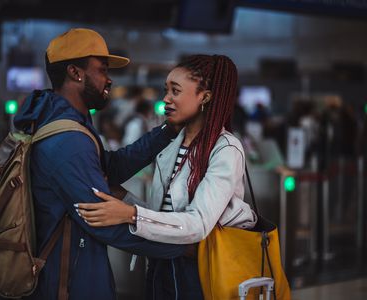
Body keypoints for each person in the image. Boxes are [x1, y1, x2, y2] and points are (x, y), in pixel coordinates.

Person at [8, 28, 187, 300]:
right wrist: (182, 244)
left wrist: (168, 131)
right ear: (75, 73)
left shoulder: (66, 124)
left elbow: (110, 167)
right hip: (68, 282)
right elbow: (102, 220)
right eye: (101, 70)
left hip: (70, 271)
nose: (109, 79)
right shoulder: (68, 142)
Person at [77, 54, 258, 299]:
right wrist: (124, 199)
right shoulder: (173, 144)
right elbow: (165, 216)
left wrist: (130, 214)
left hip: (200, 272)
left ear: (205, 97)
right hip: (161, 264)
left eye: (175, 91)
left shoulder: (226, 149)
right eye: (166, 90)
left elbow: (197, 224)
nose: (166, 99)